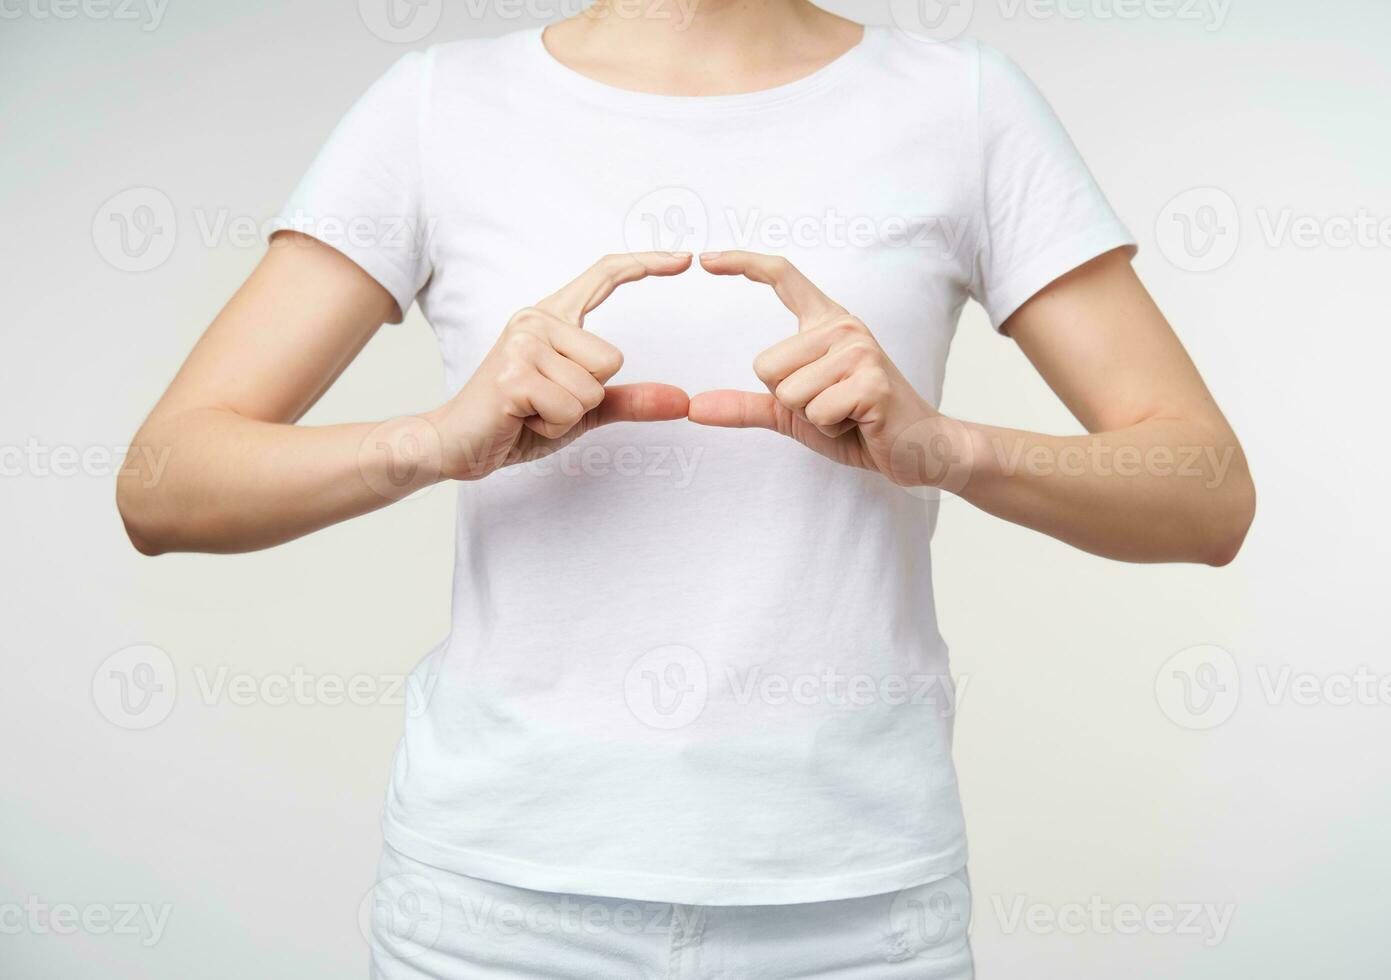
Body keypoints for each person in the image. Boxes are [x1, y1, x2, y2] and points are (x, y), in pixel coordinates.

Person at [117, 2, 1255, 976]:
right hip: (493, 906)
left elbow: (1207, 496)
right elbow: (165, 486)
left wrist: (946, 445)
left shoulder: (961, 104)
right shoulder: (434, 106)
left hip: (859, 908)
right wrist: (432, 441)